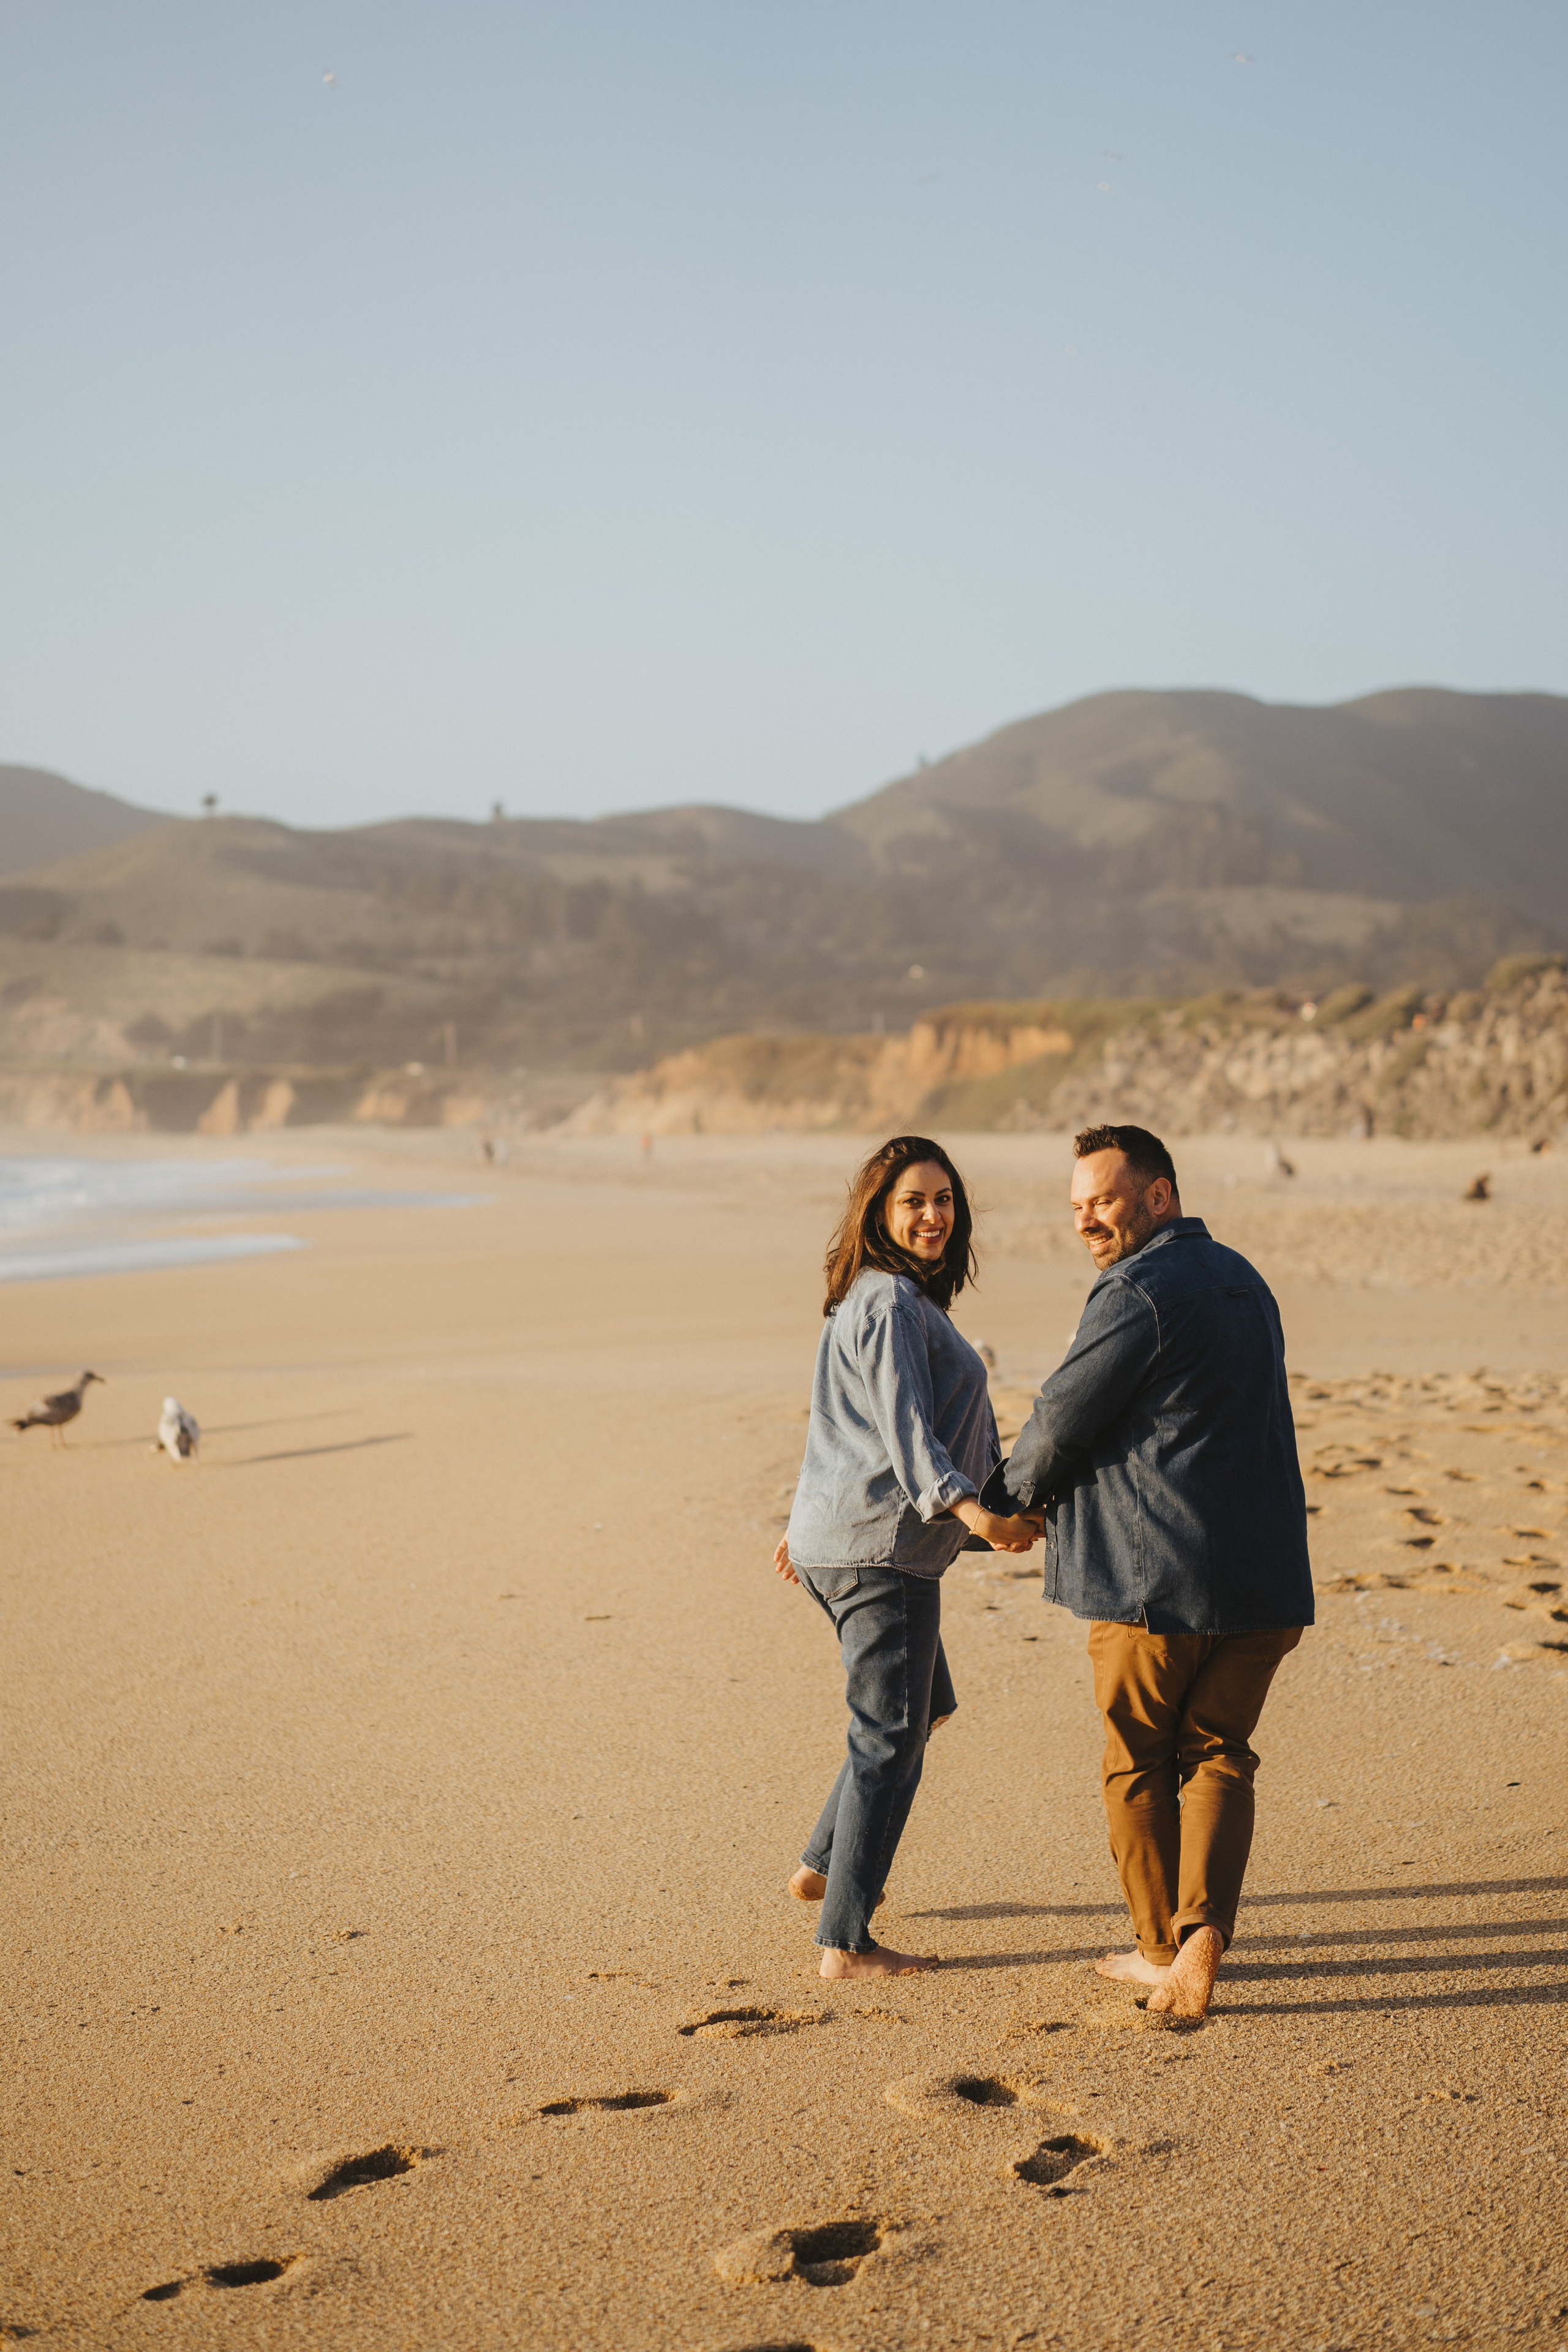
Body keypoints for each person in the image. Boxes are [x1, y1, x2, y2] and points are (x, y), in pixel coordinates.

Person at [983, 1123, 1313, 2019]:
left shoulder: (1135, 1288)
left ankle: (1161, 1948)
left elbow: (1062, 1418)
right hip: (1267, 1576)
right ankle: (1206, 1934)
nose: (1089, 1220)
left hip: (1157, 1581)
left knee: (1137, 1759)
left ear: (1159, 1196)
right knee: (1221, 1756)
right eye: (1078, 1206)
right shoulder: (1246, 1279)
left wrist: (1000, 1508)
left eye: (1106, 1200)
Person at [774, 1135, 1042, 1979]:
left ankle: (824, 1864)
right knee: (891, 1735)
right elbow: (905, 1435)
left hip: (845, 1540)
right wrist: (976, 1514)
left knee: (916, 1709)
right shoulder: (889, 1303)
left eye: (944, 1200)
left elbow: (838, 1424)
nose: (932, 1215)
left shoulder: (888, 1300)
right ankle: (846, 1943)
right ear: (879, 1215)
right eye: (912, 1202)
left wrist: (803, 1524)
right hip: (880, 1549)